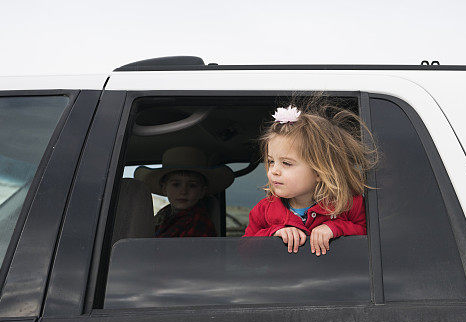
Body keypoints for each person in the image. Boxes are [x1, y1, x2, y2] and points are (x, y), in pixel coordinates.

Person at [242, 103, 376, 256]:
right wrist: (273, 234)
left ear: (320, 171)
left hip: (335, 279)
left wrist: (336, 228)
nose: (274, 171)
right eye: (271, 161)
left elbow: (371, 238)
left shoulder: (348, 203)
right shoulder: (264, 210)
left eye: (286, 163)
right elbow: (245, 251)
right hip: (282, 279)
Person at [136, 146, 235, 238]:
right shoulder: (163, 216)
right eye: (176, 184)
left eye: (192, 185)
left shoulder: (199, 223)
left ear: (202, 192)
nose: (183, 191)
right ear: (164, 189)